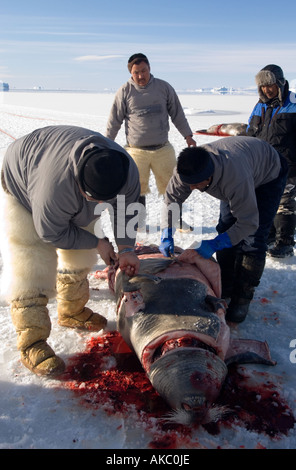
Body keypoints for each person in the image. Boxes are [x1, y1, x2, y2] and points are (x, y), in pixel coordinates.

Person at [0, 125, 140, 376]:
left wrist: (127, 248)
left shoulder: (125, 170)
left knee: (79, 254)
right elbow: (52, 233)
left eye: (103, 200)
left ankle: (71, 311)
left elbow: (127, 209)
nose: (99, 204)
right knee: (32, 264)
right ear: (79, 182)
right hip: (22, 180)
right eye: (92, 197)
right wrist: (98, 242)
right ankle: (31, 343)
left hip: (65, 183)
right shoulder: (53, 189)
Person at [159, 136, 288, 323]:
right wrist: (167, 232)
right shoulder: (185, 171)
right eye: (189, 184)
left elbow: (248, 222)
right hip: (241, 168)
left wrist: (217, 243)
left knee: (254, 238)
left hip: (268, 174)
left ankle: (242, 298)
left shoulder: (235, 178)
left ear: (209, 177)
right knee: (226, 226)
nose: (192, 189)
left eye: (196, 185)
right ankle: (226, 284)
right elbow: (171, 201)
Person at [106, 53, 196, 231]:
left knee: (173, 186)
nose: (141, 76)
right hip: (135, 150)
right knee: (136, 189)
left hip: (162, 148)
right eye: (136, 72)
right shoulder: (124, 91)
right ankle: (138, 222)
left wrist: (188, 135)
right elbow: (114, 120)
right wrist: (106, 144)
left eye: (144, 70)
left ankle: (175, 220)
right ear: (131, 73)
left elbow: (177, 114)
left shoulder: (163, 88)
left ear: (149, 68)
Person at [247, 64, 296, 258]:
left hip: (288, 165)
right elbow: (250, 133)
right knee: (266, 203)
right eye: (263, 86)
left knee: (285, 204)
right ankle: (270, 235)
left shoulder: (293, 103)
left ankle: (285, 242)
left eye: (270, 85)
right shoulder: (259, 106)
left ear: (280, 83)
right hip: (262, 166)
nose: (267, 89)